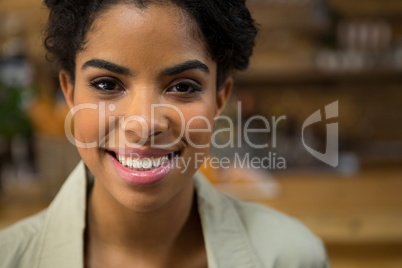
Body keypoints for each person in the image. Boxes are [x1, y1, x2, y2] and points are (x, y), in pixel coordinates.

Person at [0, 0, 330, 267]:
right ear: (69, 94)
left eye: (183, 86)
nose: (143, 124)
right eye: (107, 84)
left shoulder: (291, 256)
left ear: (219, 99)